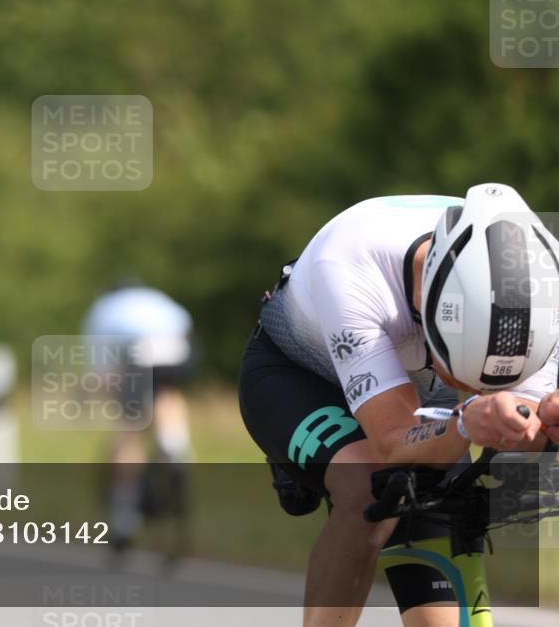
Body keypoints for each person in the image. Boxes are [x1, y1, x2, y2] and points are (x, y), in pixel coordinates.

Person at [238, 183, 559, 627]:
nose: (474, 387)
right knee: (371, 483)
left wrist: (542, 428)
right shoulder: (352, 265)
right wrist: (465, 423)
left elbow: (519, 439)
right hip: (303, 374)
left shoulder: (542, 284)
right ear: (431, 307)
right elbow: (393, 441)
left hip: (424, 391)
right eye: (464, 372)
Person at [82, 280, 196, 556]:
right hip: (181, 347)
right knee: (167, 394)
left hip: (138, 351)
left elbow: (103, 371)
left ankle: (124, 517)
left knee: (129, 430)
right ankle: (175, 446)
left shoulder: (102, 310)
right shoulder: (154, 297)